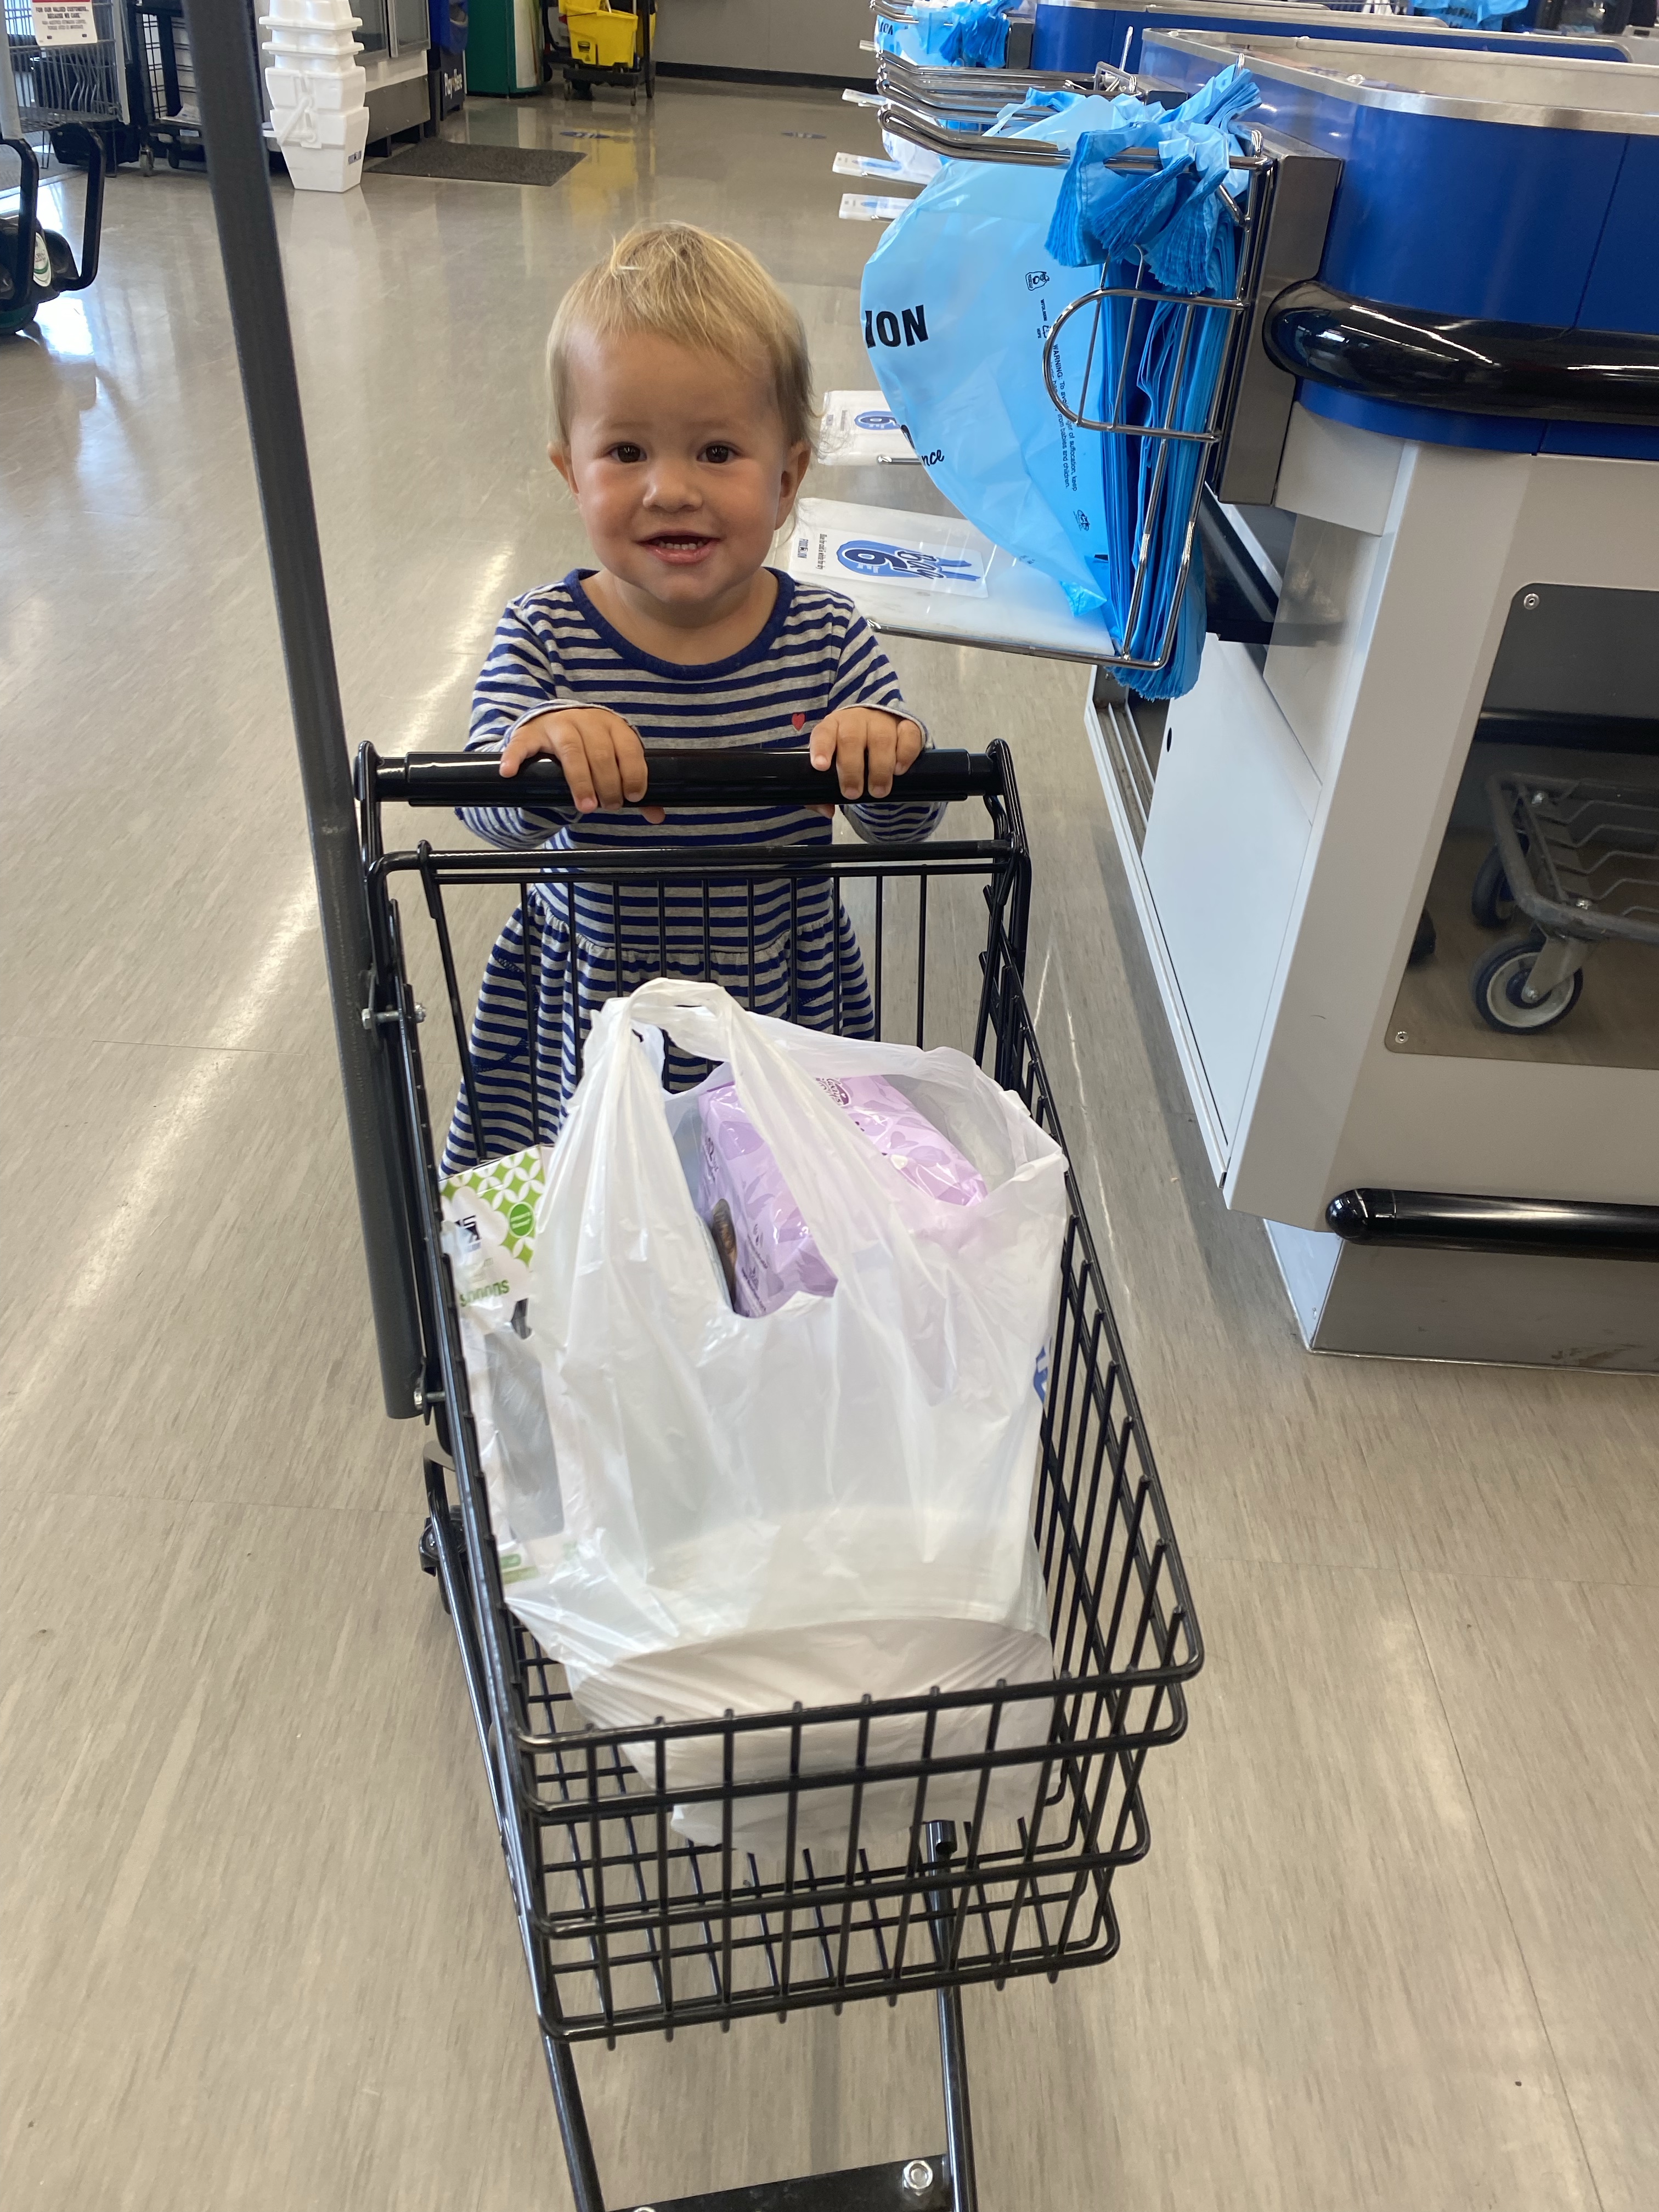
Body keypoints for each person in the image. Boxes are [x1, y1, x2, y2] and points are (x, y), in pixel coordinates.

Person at [441, 221, 941, 1173]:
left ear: (788, 478)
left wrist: (882, 748)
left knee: (776, 1208)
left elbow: (906, 827)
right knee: (608, 1208)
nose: (670, 490)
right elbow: (484, 809)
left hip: (780, 1005)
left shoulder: (830, 639)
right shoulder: (543, 637)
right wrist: (543, 741)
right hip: (597, 1016)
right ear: (571, 472)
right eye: (626, 451)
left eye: (716, 452)